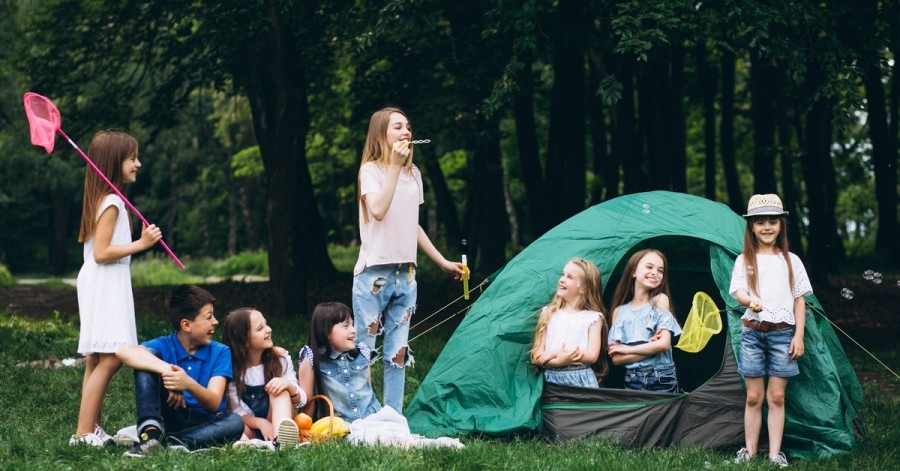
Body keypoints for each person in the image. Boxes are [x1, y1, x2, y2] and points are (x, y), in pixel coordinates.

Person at [353, 107, 465, 412]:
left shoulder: (413, 174)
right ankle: (363, 416)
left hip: (407, 274)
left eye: (408, 128)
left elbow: (411, 223)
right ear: (381, 134)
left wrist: (442, 262)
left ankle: (392, 417)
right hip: (373, 275)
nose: (406, 133)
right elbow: (377, 209)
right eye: (397, 127)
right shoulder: (371, 171)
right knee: (365, 351)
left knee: (397, 352)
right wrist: (393, 168)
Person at [70, 130, 163, 446]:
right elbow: (102, 252)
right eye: (132, 158)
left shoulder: (108, 199)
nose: (138, 163)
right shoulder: (111, 202)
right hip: (105, 284)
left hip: (100, 282)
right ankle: (83, 432)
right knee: (111, 358)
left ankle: (90, 428)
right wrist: (142, 243)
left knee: (98, 358)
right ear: (114, 163)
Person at [730, 194, 811, 468]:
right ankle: (750, 452)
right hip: (752, 333)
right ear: (751, 227)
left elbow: (799, 301)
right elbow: (739, 291)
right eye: (760, 222)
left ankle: (776, 453)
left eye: (773, 222)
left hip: (783, 335)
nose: (767, 227)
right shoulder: (744, 260)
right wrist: (748, 300)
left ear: (781, 225)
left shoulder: (792, 261)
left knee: (776, 396)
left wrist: (798, 335)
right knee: (754, 396)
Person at [115, 285, 244, 457]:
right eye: (209, 317)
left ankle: (163, 441)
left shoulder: (220, 351)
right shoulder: (165, 345)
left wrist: (187, 383)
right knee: (145, 357)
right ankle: (151, 434)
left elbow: (213, 402)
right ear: (186, 325)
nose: (215, 321)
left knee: (235, 422)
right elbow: (122, 352)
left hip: (204, 423)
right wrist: (168, 371)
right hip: (171, 416)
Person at [223, 308, 306, 450]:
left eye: (266, 324)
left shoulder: (280, 359)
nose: (269, 329)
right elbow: (238, 411)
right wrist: (261, 423)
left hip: (279, 421)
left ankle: (282, 441)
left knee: (279, 390)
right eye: (260, 328)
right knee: (234, 423)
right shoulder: (232, 369)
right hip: (252, 426)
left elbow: (302, 400)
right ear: (244, 341)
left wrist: (288, 385)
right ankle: (250, 445)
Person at [607, 249, 682, 393]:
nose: (655, 273)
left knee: (664, 415)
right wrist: (650, 346)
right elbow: (616, 359)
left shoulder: (660, 300)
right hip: (633, 379)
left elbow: (664, 344)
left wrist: (627, 349)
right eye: (649, 267)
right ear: (634, 271)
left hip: (662, 376)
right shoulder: (619, 311)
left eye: (660, 270)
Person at [530, 258, 608, 388]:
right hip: (550, 382)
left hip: (581, 381)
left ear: (583, 288)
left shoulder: (593, 318)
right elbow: (538, 355)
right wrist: (558, 362)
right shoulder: (549, 313)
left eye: (569, 277)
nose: (561, 279)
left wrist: (555, 353)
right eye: (563, 275)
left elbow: (592, 355)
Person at [297, 302, 382, 421]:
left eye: (352, 325)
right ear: (326, 331)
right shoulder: (312, 359)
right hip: (338, 423)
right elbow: (308, 402)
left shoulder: (362, 353)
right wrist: (304, 426)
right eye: (346, 326)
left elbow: (369, 391)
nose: (353, 330)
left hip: (372, 416)